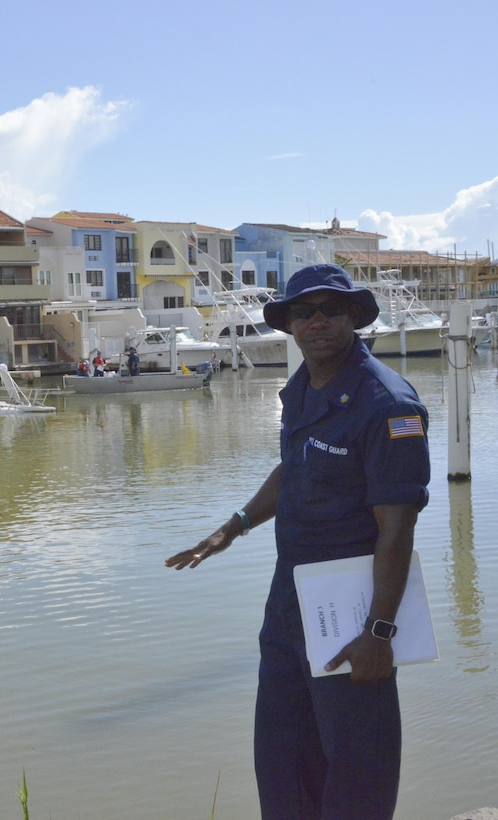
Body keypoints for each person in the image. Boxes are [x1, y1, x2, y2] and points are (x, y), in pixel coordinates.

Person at [165, 263, 430, 820]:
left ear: (353, 317)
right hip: (289, 602)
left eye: (329, 309)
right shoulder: (300, 390)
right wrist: (231, 528)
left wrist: (379, 632)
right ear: (288, 324)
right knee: (283, 761)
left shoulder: (390, 405)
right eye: (303, 312)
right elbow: (293, 469)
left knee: (357, 767)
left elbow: (397, 527)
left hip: (353, 608)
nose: (316, 321)